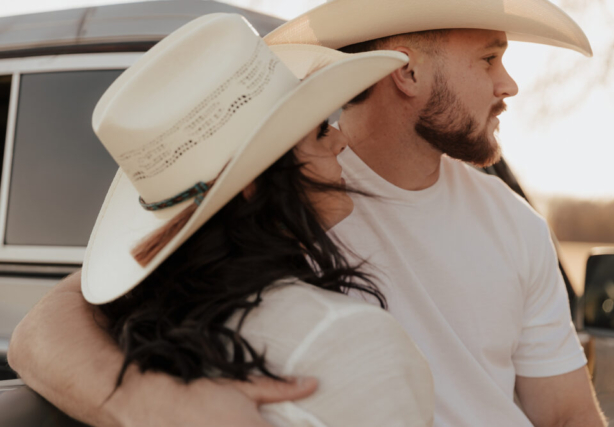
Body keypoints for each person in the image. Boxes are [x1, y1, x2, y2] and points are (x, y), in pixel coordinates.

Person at [8, 0, 607, 426]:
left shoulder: (517, 224)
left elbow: (568, 416)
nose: (510, 85)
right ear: (409, 70)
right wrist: (152, 406)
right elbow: (42, 331)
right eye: (489, 59)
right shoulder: (284, 195)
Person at [11, 12, 435, 427]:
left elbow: (39, 328)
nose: (341, 139)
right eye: (321, 130)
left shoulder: (141, 322)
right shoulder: (353, 343)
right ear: (255, 182)